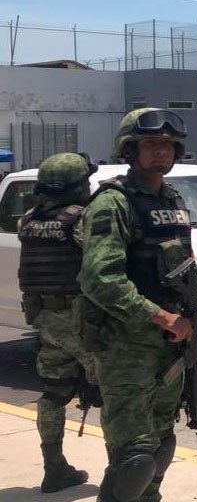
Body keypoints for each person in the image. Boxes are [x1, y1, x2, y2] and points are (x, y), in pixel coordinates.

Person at [78, 108, 197, 502]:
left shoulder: (173, 199)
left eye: (167, 145)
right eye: (151, 144)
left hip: (171, 347)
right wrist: (162, 318)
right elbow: (100, 278)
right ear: (131, 150)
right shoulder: (113, 203)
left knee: (161, 445)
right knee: (134, 456)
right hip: (126, 348)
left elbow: (188, 270)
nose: (161, 152)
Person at [18, 152, 100, 493]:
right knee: (112, 390)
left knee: (54, 392)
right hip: (80, 318)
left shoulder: (29, 219)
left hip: (44, 318)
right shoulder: (80, 221)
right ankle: (124, 471)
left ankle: (54, 467)